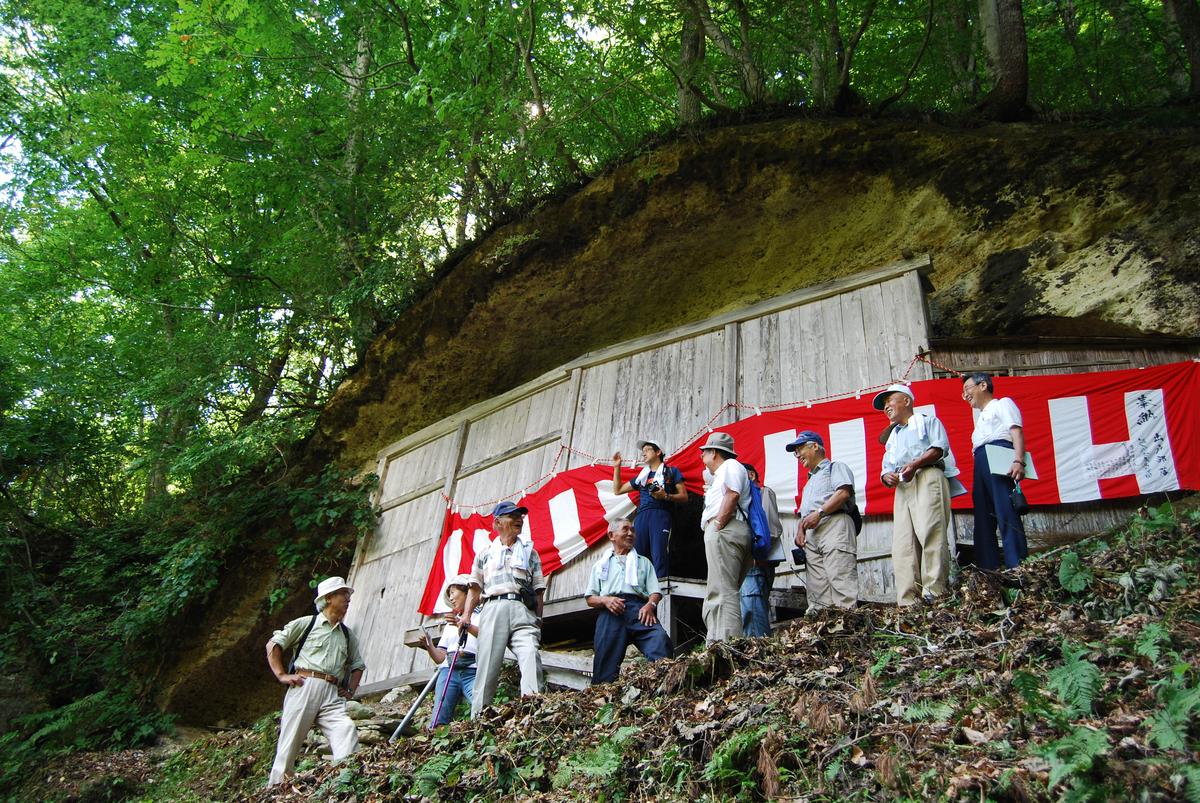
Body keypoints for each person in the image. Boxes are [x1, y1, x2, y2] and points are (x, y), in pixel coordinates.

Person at [265, 576, 365, 787]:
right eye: (343, 594)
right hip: (304, 685)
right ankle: (276, 790)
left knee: (345, 729)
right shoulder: (306, 624)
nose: (348, 598)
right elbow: (273, 645)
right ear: (329, 598)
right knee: (289, 742)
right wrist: (282, 675)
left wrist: (350, 691)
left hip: (332, 692)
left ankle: (345, 784)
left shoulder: (348, 635)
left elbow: (357, 665)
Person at [873, 383, 960, 606]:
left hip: (927, 475)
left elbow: (939, 448)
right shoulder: (892, 437)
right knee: (903, 543)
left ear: (906, 401)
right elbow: (886, 467)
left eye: (890, 400)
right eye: (884, 405)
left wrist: (915, 463)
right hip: (903, 485)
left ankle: (934, 591)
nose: (886, 407)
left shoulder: (927, 421)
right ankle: (908, 599)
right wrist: (886, 477)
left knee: (931, 531)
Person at [459, 501, 545, 717]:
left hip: (523, 609)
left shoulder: (529, 552)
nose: (519, 519)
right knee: (487, 664)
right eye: (512, 516)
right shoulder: (485, 553)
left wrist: (538, 619)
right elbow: (475, 589)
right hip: (493, 607)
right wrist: (467, 616)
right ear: (497, 522)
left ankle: (533, 711)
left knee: (530, 654)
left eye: (521, 516)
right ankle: (478, 719)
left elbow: (538, 590)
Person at [585, 518, 673, 684]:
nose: (631, 533)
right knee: (605, 661)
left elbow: (655, 592)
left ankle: (663, 688)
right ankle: (603, 701)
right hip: (610, 611)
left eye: (633, 530)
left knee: (660, 640)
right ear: (612, 535)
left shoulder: (643, 562)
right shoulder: (600, 565)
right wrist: (606, 601)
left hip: (639, 609)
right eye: (625, 529)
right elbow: (590, 598)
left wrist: (650, 605)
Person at [962, 372, 1029, 569]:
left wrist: (1019, 460)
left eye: (968, 389)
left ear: (983, 386)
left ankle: (1017, 565)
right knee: (983, 514)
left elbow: (1016, 431)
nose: (965, 395)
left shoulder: (1002, 403)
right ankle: (987, 568)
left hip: (1000, 454)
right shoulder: (980, 417)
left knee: (1005, 509)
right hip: (981, 459)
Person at [787, 431, 858, 612]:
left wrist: (819, 513)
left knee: (840, 578)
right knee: (817, 589)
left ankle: (847, 630)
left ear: (815, 446)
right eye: (795, 453)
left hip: (834, 524)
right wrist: (800, 530)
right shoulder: (809, 481)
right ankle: (825, 631)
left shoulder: (835, 467)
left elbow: (843, 493)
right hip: (813, 534)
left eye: (800, 449)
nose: (797, 456)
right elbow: (807, 514)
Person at [698, 432, 752, 643]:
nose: (702, 458)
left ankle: (726, 643)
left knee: (722, 589)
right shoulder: (723, 472)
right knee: (719, 587)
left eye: (704, 453)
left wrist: (718, 524)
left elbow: (732, 495)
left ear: (713, 452)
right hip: (728, 529)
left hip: (726, 528)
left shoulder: (730, 466)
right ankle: (716, 639)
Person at [611, 438, 687, 578]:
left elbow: (684, 496)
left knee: (659, 554)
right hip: (642, 516)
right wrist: (617, 467)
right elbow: (618, 490)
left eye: (647, 450)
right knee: (638, 555)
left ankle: (660, 592)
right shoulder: (642, 476)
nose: (643, 454)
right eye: (642, 451)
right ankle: (639, 590)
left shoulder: (670, 471)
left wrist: (666, 496)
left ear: (658, 452)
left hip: (661, 515)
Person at [417, 574, 480, 728]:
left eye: (453, 592)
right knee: (440, 713)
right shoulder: (449, 624)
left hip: (473, 669)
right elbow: (440, 657)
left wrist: (463, 623)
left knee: (480, 707)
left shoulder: (482, 614)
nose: (451, 598)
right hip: (449, 670)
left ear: (467, 592)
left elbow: (487, 636)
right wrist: (429, 645)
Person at [739, 462, 783, 636]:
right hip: (744, 563)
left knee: (753, 611)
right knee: (745, 612)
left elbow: (771, 530)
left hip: (757, 562)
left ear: (751, 476)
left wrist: (756, 551)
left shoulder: (763, 493)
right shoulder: (741, 498)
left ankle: (760, 655)